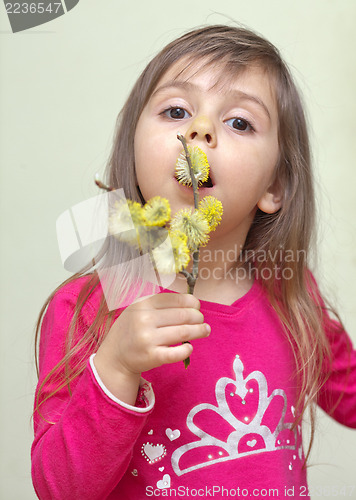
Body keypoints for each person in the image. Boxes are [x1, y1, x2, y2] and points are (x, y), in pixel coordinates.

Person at [31, 25, 356, 499]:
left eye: (239, 122)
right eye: (177, 111)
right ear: (134, 146)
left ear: (275, 188)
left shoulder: (292, 294)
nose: (199, 130)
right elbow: (59, 489)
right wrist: (118, 366)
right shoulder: (87, 308)